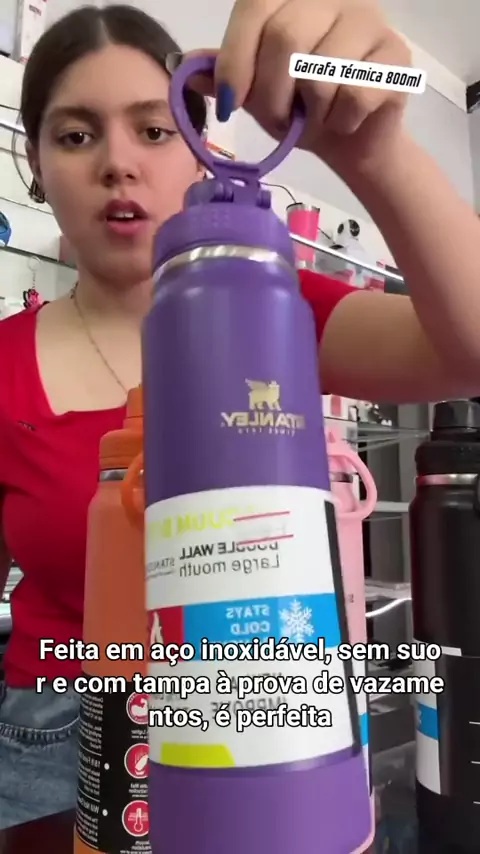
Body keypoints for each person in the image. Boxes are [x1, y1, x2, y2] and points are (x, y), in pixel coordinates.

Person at [0, 0, 479, 829]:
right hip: (57, 736)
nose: (118, 163)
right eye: (76, 135)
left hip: (261, 723)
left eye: (154, 130)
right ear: (36, 162)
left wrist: (374, 151)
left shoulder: (275, 302)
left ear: (200, 148)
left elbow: (469, 348)